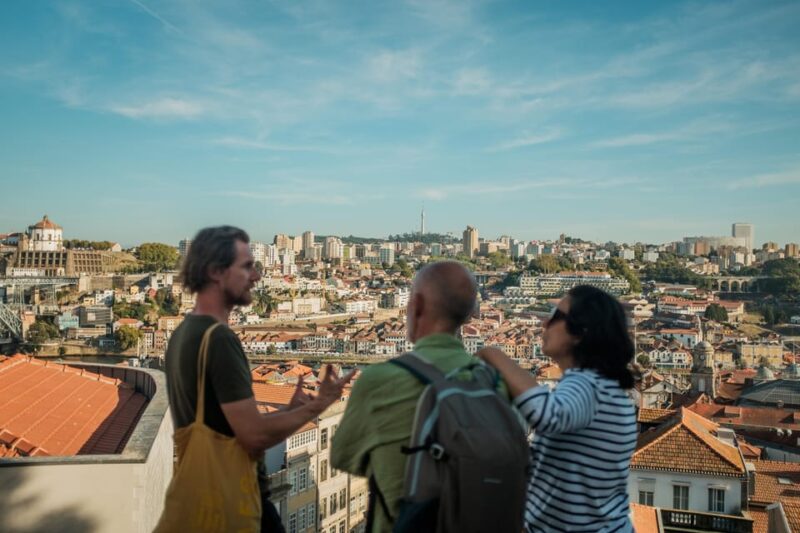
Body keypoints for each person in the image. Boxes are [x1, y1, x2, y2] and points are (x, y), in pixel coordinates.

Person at [165, 226, 353, 532]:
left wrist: (289, 412)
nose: (256, 276)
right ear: (215, 272)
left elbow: (234, 431)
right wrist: (317, 406)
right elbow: (253, 436)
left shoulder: (184, 333)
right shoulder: (219, 340)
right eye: (247, 266)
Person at [331, 261, 503, 533]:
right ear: (470, 315)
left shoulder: (380, 380)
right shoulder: (496, 385)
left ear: (417, 305)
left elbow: (343, 457)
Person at [478, 284, 637, 532]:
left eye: (555, 317)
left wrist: (493, 355)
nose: (544, 325)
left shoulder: (591, 385)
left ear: (581, 331)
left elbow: (547, 415)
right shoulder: (605, 390)